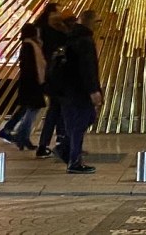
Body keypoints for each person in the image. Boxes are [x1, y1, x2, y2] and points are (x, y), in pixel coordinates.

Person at [56, 9, 103, 174]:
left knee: (78, 122)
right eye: (98, 22)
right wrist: (93, 90)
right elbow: (87, 68)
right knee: (82, 122)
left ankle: (66, 150)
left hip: (66, 89)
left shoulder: (70, 37)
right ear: (91, 22)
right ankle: (73, 160)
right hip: (80, 90)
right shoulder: (85, 40)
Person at [34, 4, 71, 159]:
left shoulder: (42, 32)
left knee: (54, 110)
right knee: (61, 110)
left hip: (50, 77)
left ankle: (45, 145)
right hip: (61, 78)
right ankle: (61, 142)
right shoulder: (61, 35)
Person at [11, 23, 46, 150]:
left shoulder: (29, 45)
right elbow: (32, 66)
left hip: (30, 82)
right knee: (33, 109)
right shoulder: (30, 46)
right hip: (32, 83)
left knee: (31, 109)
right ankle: (22, 135)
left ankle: (22, 136)